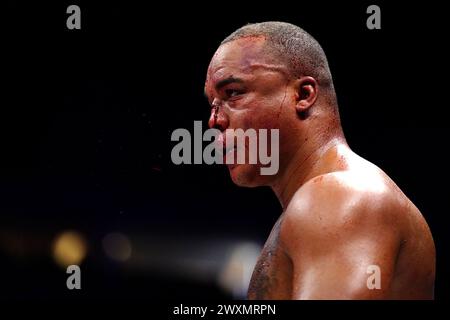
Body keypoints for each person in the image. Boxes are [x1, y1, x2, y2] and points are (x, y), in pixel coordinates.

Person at [204, 21, 435, 299]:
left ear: (303, 95)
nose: (214, 120)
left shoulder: (342, 196)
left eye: (233, 93)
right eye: (212, 102)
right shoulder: (322, 203)